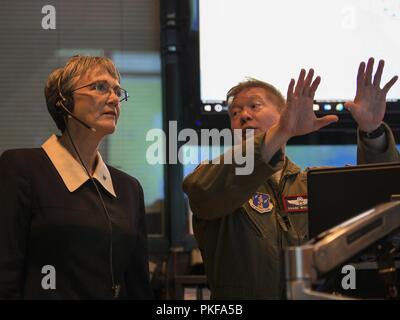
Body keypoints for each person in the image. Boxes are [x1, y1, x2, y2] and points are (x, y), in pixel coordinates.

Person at [183, 58, 399, 299]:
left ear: (283, 113)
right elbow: (202, 190)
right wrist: (282, 131)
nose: (243, 116)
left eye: (255, 106)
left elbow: (381, 204)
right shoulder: (215, 177)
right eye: (235, 113)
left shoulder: (314, 183)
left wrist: (372, 131)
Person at [0, 55, 153, 299]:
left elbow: (138, 286)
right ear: (64, 101)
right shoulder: (21, 168)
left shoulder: (129, 188)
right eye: (100, 87)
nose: (114, 99)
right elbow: (5, 275)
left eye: (117, 91)